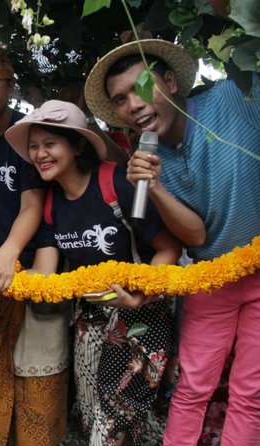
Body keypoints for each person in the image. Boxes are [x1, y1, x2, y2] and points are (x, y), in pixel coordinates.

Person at [84, 38, 260, 445]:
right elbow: (195, 235)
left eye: (142, 87)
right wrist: (155, 185)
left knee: (251, 393)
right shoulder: (149, 157)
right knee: (192, 387)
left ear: (170, 82)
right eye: (121, 99)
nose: (134, 104)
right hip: (207, 278)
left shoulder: (232, 96)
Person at [5, 99, 181, 445]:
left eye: (50, 144)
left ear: (78, 145)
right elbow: (44, 276)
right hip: (89, 315)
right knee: (89, 414)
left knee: (114, 421)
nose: (40, 154)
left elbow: (169, 247)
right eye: (34, 147)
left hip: (142, 313)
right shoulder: (52, 203)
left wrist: (141, 295)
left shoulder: (117, 183)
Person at [0, 44, 68, 446]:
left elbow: (32, 203)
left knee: (36, 359)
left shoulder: (25, 136)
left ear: (9, 87)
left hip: (36, 255)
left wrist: (7, 256)